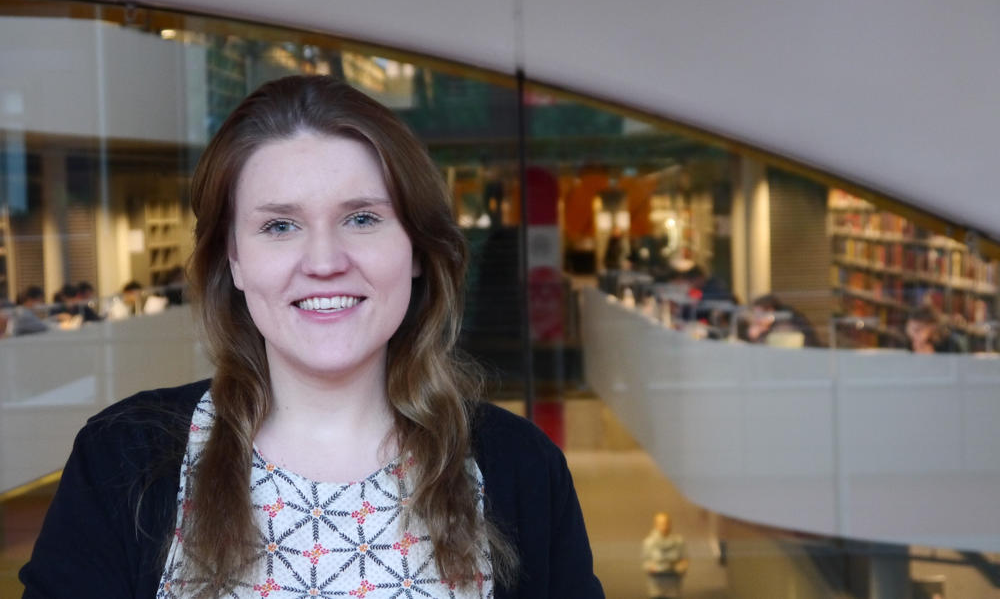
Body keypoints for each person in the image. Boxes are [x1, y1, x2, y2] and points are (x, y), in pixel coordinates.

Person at [21, 76, 603, 598]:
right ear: (236, 260)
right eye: (280, 226)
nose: (324, 261)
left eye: (362, 218)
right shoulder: (122, 461)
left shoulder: (521, 468)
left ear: (417, 250)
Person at [641, 512, 688, 598]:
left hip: (673, 585)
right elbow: (645, 562)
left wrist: (681, 567)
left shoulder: (678, 541)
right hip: (657, 586)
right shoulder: (649, 542)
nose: (664, 526)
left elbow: (684, 559)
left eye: (666, 523)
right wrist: (652, 568)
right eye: (661, 524)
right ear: (656, 525)